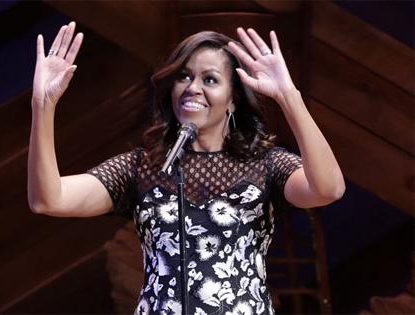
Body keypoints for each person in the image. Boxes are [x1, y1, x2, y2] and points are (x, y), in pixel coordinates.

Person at [28, 21, 345, 315]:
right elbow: (48, 200)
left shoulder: (265, 165)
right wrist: (43, 106)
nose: (193, 87)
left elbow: (328, 189)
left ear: (233, 99)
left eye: (209, 79)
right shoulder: (142, 167)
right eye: (184, 76)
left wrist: (289, 97)